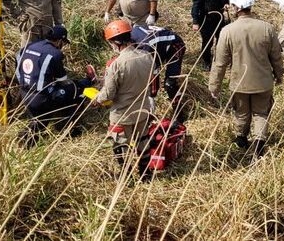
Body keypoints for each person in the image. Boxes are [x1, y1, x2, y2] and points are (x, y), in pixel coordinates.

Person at [209, 0, 284, 159]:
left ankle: (241, 140)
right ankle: (259, 146)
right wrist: (280, 76)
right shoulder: (267, 28)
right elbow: (276, 57)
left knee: (241, 113)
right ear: (251, 5)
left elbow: (220, 63)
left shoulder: (227, 31)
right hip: (263, 82)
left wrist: (214, 86)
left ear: (235, 7)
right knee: (261, 114)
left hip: (239, 83)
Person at [91, 20, 155, 171]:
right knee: (143, 140)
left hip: (122, 114)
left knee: (120, 145)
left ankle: (125, 177)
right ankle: (145, 173)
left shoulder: (117, 64)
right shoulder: (147, 56)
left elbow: (108, 94)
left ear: (116, 42)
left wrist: (97, 99)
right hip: (143, 109)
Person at [16, 26, 94, 146]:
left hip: (24, 93)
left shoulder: (29, 46)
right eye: (63, 43)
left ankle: (27, 139)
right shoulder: (55, 54)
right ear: (59, 41)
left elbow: (18, 59)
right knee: (75, 90)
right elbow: (63, 80)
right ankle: (67, 129)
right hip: (40, 98)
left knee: (41, 119)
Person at [131, 23, 188, 122]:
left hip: (175, 46)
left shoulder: (145, 45)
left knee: (170, 84)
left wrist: (151, 96)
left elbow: (154, 71)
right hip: (159, 45)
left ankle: (179, 113)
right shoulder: (133, 35)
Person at [191, 0, 229, 70]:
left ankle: (219, 59)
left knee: (221, 39)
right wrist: (195, 21)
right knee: (207, 42)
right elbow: (196, 5)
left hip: (219, 16)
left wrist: (226, 3)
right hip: (205, 18)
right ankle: (206, 61)